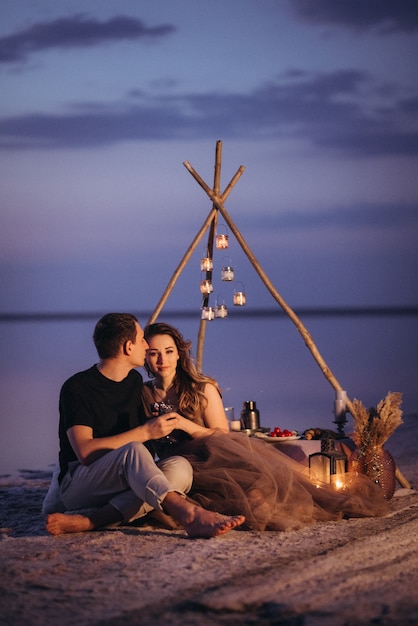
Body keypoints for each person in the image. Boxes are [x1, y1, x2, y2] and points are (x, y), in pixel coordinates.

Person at [141, 322, 390, 532]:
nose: (162, 359)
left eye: (169, 351)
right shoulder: (143, 394)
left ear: (179, 354)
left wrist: (186, 425)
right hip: (176, 465)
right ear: (145, 357)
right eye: (154, 353)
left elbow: (221, 435)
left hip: (214, 458)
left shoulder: (201, 388)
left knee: (258, 497)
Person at [45, 313, 245, 539]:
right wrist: (145, 432)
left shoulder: (134, 384)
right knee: (134, 449)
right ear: (129, 347)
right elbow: (85, 452)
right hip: (81, 482)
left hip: (123, 477)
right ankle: (188, 514)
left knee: (180, 468)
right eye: (142, 340)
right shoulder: (78, 387)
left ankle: (90, 521)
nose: (146, 345)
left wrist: (191, 400)